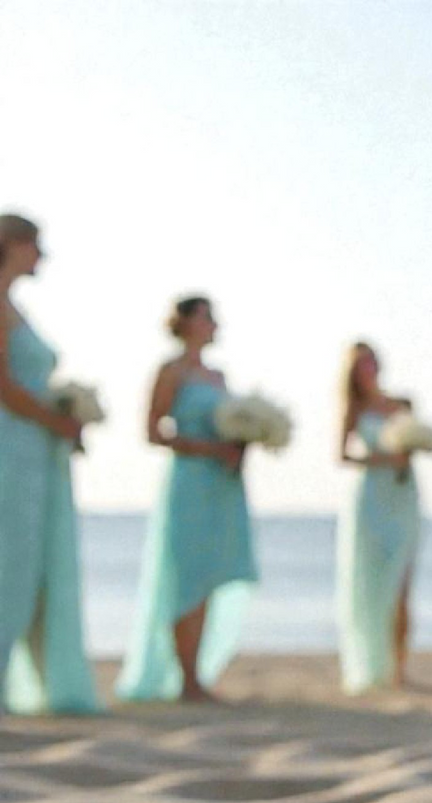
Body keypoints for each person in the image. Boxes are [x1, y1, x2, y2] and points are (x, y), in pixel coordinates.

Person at [117, 295, 258, 703]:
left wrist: (241, 445)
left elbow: (232, 426)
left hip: (224, 485)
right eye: (207, 317)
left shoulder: (218, 376)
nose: (215, 324)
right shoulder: (171, 371)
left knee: (211, 574)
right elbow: (153, 430)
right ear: (188, 323)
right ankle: (186, 677)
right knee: (186, 575)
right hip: (190, 483)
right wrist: (208, 450)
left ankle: (196, 673)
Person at [0, 213, 100, 715]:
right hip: (11, 450)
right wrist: (56, 421)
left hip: (33, 452)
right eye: (36, 245)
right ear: (13, 244)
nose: (42, 255)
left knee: (32, 564)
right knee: (9, 561)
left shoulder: (14, 305)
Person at [335, 342, 422, 693]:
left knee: (401, 585)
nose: (368, 369)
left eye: (371, 361)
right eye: (361, 364)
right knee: (370, 584)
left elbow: (417, 443)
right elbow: (342, 455)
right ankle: (372, 666)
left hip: (403, 497)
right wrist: (385, 461)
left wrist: (410, 450)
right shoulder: (353, 409)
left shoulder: (403, 404)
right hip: (370, 499)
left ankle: (400, 669)